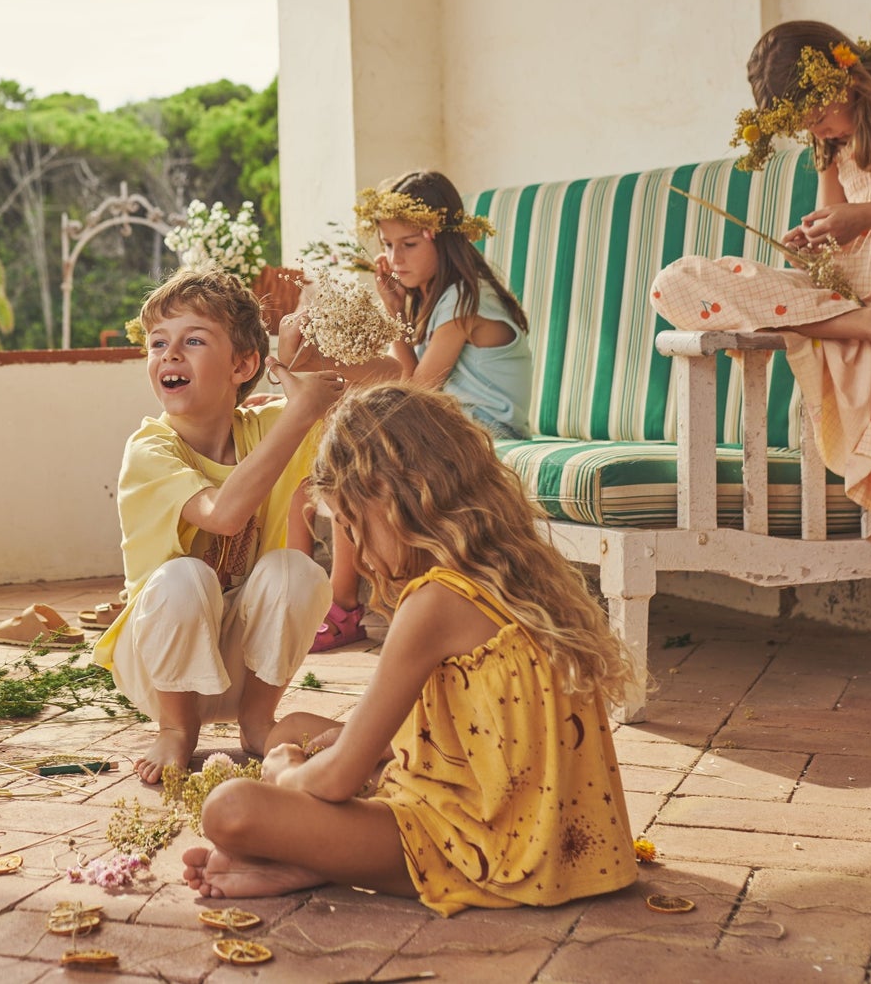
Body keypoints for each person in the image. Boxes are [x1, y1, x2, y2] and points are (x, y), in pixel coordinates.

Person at [650, 12, 871, 734]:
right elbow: (840, 250)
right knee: (678, 282)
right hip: (863, 308)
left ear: (840, 71)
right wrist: (818, 239)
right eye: (804, 121)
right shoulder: (827, 141)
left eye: (819, 107)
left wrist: (864, 222)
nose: (820, 126)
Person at [181, 384, 638, 911]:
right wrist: (331, 750)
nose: (357, 555)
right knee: (296, 729)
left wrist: (284, 777)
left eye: (351, 526)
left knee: (231, 809)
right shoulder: (514, 573)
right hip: (559, 837)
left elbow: (335, 779)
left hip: (493, 851)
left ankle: (313, 856)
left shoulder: (434, 602)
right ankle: (306, 861)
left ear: (394, 497)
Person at [95, 268, 343, 783]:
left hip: (240, 663)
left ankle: (257, 721)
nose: (169, 354)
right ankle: (176, 729)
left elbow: (389, 386)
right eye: (158, 343)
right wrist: (301, 413)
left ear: (244, 364)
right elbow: (222, 515)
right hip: (157, 665)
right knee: (183, 577)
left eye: (193, 340)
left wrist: (316, 364)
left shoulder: (268, 426)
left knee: (297, 571)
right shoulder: (150, 449)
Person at [298, 170, 535, 651]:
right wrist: (398, 313)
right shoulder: (439, 297)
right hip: (453, 424)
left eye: (408, 244)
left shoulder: (465, 302)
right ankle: (313, 601)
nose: (393, 259)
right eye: (387, 245)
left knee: (352, 450)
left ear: (442, 240)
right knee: (329, 448)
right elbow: (415, 386)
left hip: (487, 430)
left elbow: (418, 388)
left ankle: (344, 605)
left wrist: (394, 319)